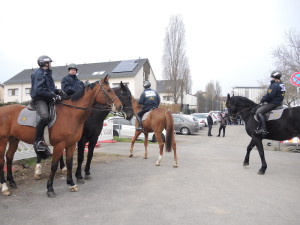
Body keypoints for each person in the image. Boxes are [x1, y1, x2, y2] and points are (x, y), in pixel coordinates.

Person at [30, 55, 62, 152]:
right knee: (45, 117)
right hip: (39, 99)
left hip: (47, 98)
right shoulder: (38, 74)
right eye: (49, 63)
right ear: (45, 64)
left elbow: (48, 88)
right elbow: (39, 89)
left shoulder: (47, 73)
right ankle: (38, 141)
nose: (51, 64)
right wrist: (53, 94)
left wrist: (57, 91)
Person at [255, 70, 286, 135]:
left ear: (274, 77)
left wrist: (262, 99)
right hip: (279, 102)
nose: (272, 78)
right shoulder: (282, 84)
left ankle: (263, 129)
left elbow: (270, 95)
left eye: (272, 77)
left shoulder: (274, 85)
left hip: (273, 103)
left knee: (259, 112)